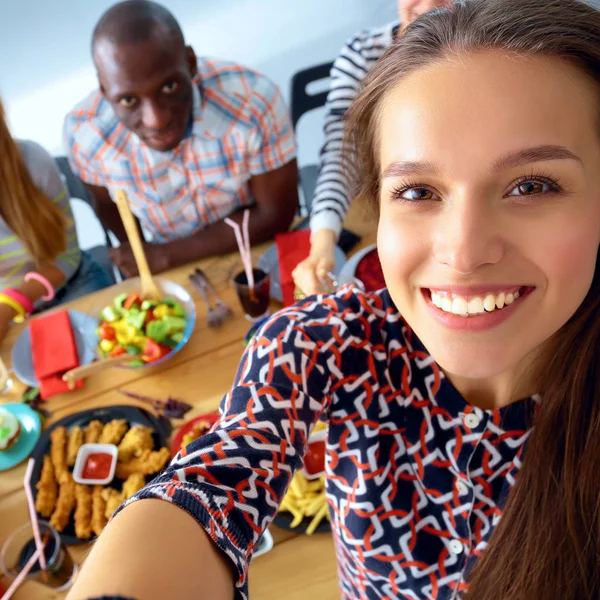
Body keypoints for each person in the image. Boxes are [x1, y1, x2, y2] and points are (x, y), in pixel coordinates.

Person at [67, 0, 600, 599]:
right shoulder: (324, 345)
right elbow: (217, 481)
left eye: (532, 185)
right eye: (418, 189)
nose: (464, 250)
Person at [64, 0, 298, 278]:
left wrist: (165, 255)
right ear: (104, 90)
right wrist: (144, 258)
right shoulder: (85, 135)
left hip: (257, 251)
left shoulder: (254, 101)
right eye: (128, 100)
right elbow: (112, 212)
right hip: (169, 271)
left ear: (190, 64)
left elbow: (276, 216)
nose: (156, 120)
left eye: (169, 86)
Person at [293, 0, 452, 295]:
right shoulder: (363, 53)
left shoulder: (491, 48)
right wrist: (323, 243)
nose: (430, 4)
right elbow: (342, 149)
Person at [0, 101, 113, 344]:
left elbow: (67, 257)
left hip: (76, 286)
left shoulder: (33, 162)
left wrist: (11, 303)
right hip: (11, 321)